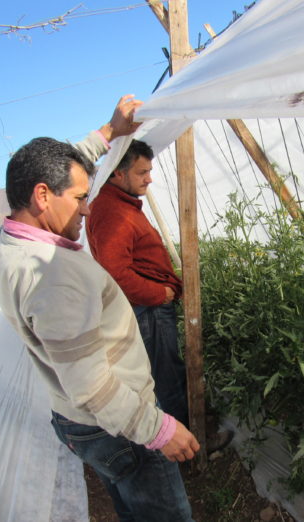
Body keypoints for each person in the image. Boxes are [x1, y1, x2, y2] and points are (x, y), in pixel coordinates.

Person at [0, 96, 199, 522]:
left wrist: (109, 133)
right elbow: (91, 386)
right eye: (80, 197)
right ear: (43, 195)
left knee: (130, 505)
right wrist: (158, 429)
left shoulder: (1, 243)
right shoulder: (54, 276)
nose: (86, 205)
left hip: (77, 421)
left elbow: (66, 169)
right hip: (115, 423)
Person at [86, 139, 234, 453]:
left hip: (148, 308)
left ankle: (190, 435)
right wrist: (160, 294)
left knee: (168, 371)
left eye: (149, 171)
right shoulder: (112, 211)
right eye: (142, 172)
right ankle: (192, 447)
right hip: (147, 310)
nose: (149, 178)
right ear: (117, 174)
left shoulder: (120, 204)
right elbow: (116, 273)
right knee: (166, 379)